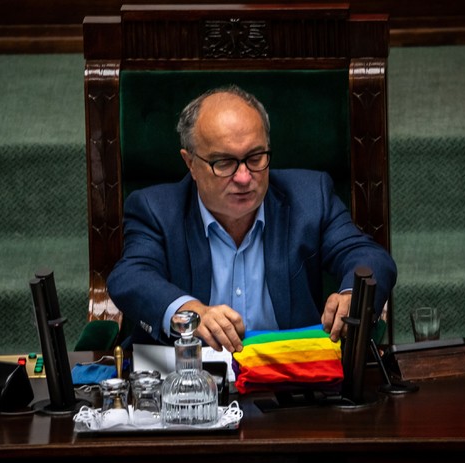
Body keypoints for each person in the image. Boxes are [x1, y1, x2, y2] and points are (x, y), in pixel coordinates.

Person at [107, 85, 396, 352]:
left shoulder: (310, 197)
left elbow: (369, 256)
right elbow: (130, 276)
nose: (244, 177)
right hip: (187, 378)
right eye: (224, 163)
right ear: (191, 163)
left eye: (255, 158)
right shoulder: (156, 210)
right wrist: (189, 311)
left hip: (287, 378)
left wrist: (352, 295)